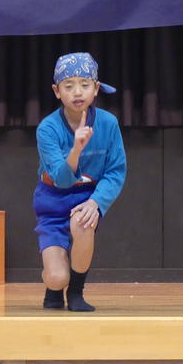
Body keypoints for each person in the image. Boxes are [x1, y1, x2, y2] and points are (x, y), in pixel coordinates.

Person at [33, 52, 126, 312]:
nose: (77, 92)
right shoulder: (47, 128)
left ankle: (76, 292)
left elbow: (116, 171)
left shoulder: (108, 123)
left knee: (83, 222)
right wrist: (75, 149)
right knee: (56, 277)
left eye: (84, 85)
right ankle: (55, 287)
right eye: (69, 86)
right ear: (57, 91)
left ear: (95, 88)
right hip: (52, 199)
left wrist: (96, 203)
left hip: (86, 196)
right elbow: (61, 180)